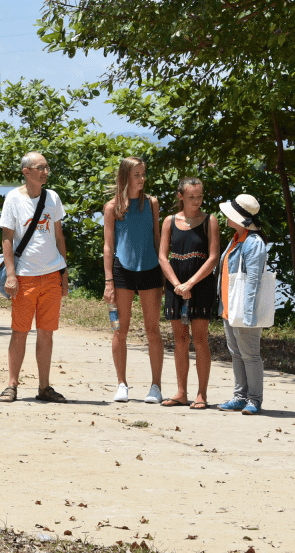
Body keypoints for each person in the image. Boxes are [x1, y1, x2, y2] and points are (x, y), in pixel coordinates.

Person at [0, 151, 69, 404]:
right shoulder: (13, 199)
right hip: (25, 276)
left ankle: (44, 386)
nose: (45, 172)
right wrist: (11, 275)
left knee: (46, 333)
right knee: (20, 331)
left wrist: (64, 274)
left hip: (51, 275)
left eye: (47, 167)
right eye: (40, 168)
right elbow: (7, 238)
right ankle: (12, 385)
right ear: (26, 172)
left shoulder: (53, 198)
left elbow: (59, 237)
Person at [103, 156, 164, 404]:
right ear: (126, 176)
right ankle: (121, 384)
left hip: (150, 269)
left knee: (153, 329)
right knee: (120, 329)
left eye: (143, 174)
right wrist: (108, 281)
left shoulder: (152, 203)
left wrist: (165, 273)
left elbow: (158, 239)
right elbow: (108, 246)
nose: (142, 179)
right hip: (122, 271)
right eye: (137, 174)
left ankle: (156, 386)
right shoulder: (113, 207)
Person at [157, 177, 220, 409]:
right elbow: (163, 256)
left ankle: (201, 394)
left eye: (200, 196)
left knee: (200, 339)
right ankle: (181, 392)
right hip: (176, 284)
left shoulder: (209, 221)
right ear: (180, 196)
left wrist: (191, 284)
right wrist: (176, 284)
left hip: (201, 283)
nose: (196, 201)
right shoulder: (169, 221)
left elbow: (213, 257)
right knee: (180, 339)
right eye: (191, 197)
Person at [216, 194, 269, 415]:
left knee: (250, 355)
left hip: (243, 308)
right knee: (236, 353)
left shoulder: (253, 242)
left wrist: (249, 315)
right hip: (230, 306)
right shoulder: (236, 238)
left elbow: (254, 281)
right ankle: (240, 397)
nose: (226, 217)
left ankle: (254, 400)